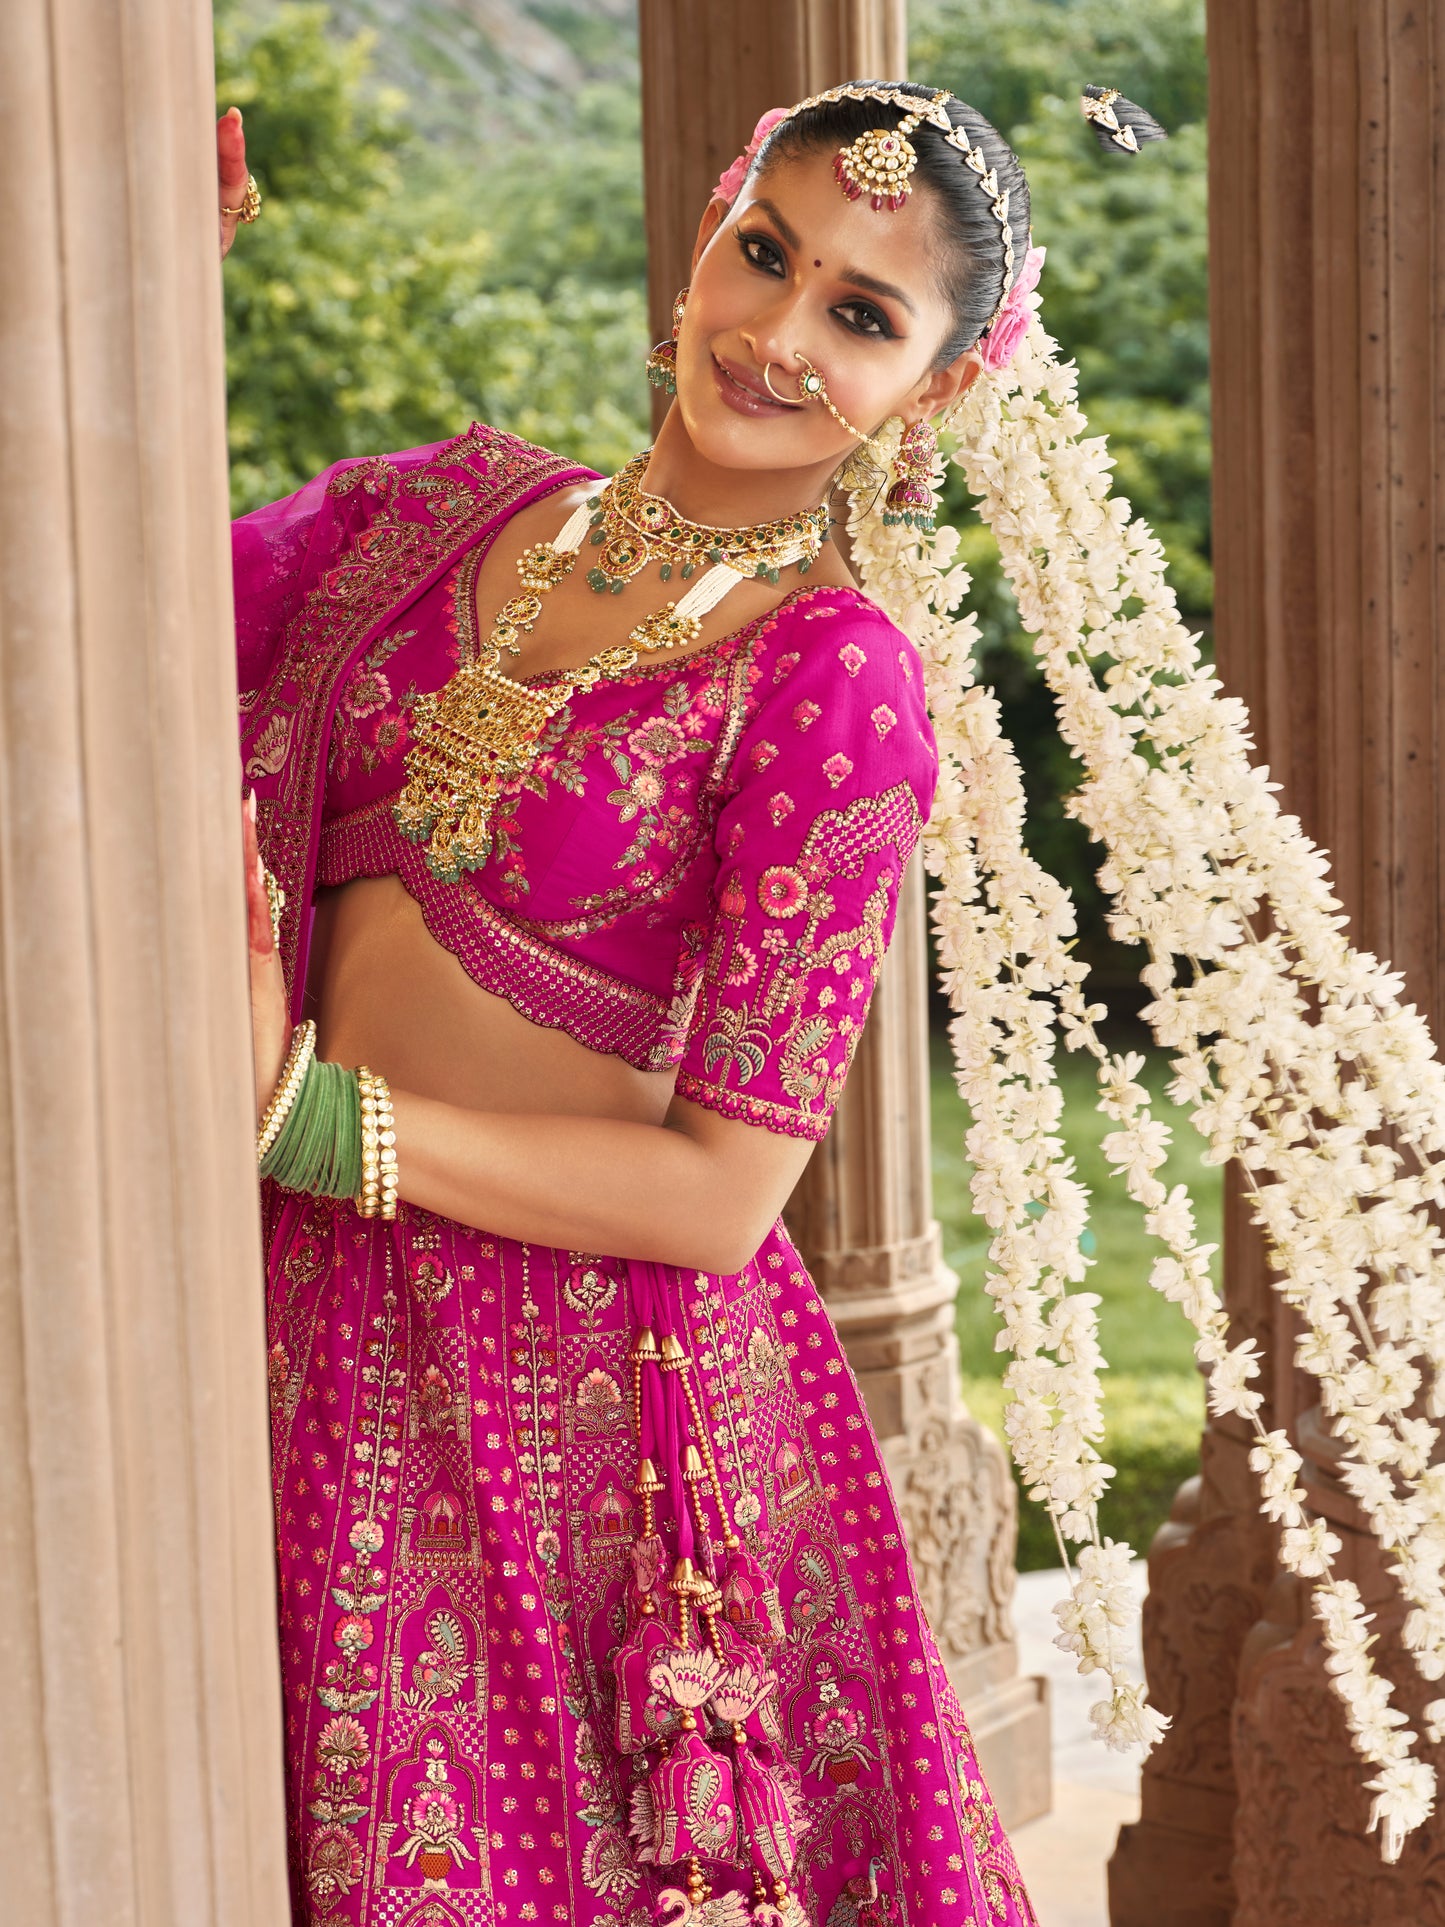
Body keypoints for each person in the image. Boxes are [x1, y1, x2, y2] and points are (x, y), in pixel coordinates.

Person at [225, 81, 1039, 1927]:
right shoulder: (428, 514)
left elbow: (722, 1192)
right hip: (275, 1312)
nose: (776, 333)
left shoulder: (829, 680)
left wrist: (311, 1119)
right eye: (766, 254)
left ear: (931, 391)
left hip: (575, 1413)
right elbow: (101, 618)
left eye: (859, 313)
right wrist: (147, 287)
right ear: (700, 243)